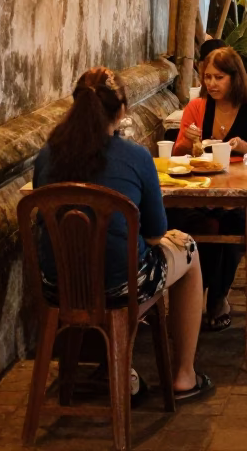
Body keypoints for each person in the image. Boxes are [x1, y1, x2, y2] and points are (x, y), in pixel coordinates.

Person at [33, 67, 210, 401]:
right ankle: (184, 375)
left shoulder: (47, 154)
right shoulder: (135, 157)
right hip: (120, 288)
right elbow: (157, 236)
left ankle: (116, 367)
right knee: (187, 248)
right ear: (123, 110)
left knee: (116, 258)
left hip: (57, 286)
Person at [173, 47, 247, 329]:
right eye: (207, 78)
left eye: (219, 77)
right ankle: (194, 298)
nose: (212, 84)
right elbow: (180, 151)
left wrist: (244, 146)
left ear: (235, 78)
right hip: (201, 192)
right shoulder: (197, 108)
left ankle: (217, 296)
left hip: (240, 191)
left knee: (235, 225)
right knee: (191, 226)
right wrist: (187, 140)